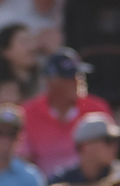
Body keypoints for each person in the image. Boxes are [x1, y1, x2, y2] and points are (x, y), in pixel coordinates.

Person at [18, 46, 113, 175]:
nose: (77, 81)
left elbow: (108, 154)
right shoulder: (27, 113)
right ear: (51, 81)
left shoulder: (97, 109)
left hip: (91, 183)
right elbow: (22, 163)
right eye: (69, 77)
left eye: (79, 75)